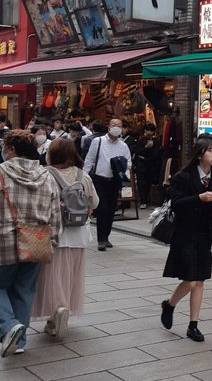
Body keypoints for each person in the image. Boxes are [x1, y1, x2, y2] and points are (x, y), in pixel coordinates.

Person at [0, 130, 62, 357]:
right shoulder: (46, 176)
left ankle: (8, 327)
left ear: (12, 149)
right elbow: (55, 214)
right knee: (24, 290)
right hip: (37, 241)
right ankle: (20, 340)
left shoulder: (1, 172)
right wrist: (53, 240)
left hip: (4, 241)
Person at [160, 135, 212, 342]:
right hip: (185, 233)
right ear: (199, 154)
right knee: (189, 280)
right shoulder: (183, 177)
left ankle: (193, 325)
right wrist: (199, 198)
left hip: (206, 234)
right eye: (210, 150)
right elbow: (176, 203)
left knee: (199, 281)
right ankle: (169, 304)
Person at [31, 138, 98, 338]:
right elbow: (95, 202)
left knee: (52, 276)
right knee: (71, 276)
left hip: (53, 233)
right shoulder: (82, 175)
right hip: (78, 233)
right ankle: (63, 310)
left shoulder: (44, 174)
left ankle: (56, 312)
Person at [83, 118, 132, 251]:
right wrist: (84, 177)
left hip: (114, 181)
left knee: (111, 209)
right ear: (108, 127)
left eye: (119, 126)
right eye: (114, 125)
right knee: (102, 208)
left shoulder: (123, 146)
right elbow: (89, 160)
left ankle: (106, 236)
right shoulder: (98, 142)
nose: (116, 128)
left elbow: (129, 163)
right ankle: (101, 239)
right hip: (100, 179)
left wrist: (120, 164)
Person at [133, 124, 161, 209]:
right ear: (145, 131)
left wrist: (147, 155)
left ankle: (146, 199)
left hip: (151, 165)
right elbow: (138, 152)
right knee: (141, 183)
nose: (149, 132)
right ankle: (143, 200)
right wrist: (146, 147)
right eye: (147, 130)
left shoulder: (156, 141)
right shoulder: (141, 140)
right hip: (141, 165)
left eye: (151, 130)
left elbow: (156, 153)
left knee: (148, 182)